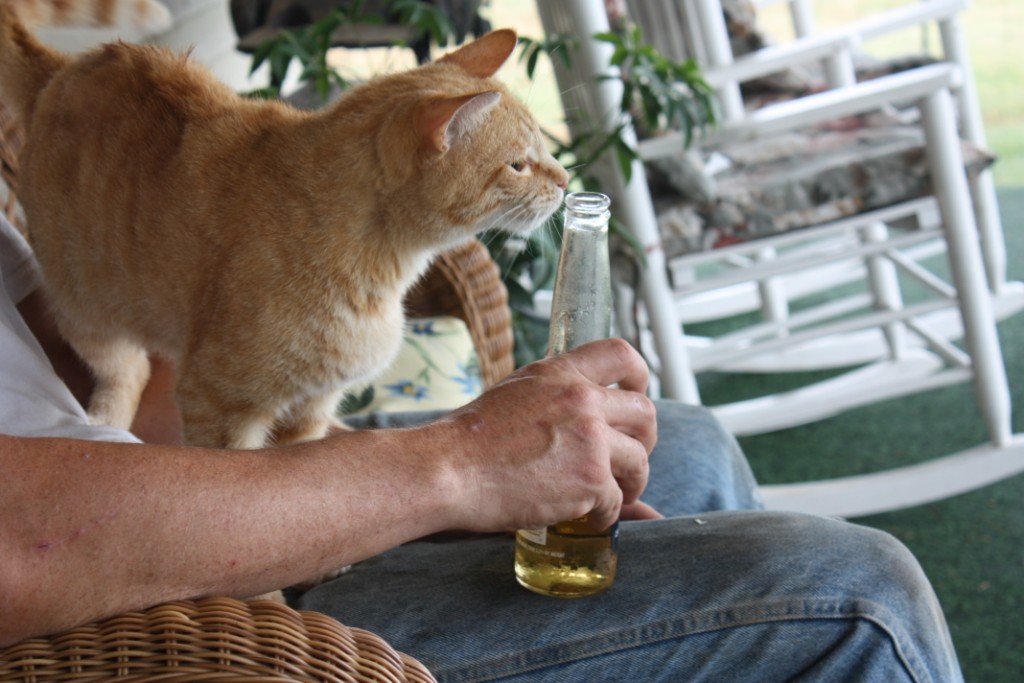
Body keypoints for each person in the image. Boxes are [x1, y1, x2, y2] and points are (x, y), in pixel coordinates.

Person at [0, 214, 963, 682]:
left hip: (164, 522)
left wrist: (378, 478)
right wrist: (458, 462)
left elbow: (128, 398)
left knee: (686, 449)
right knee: (858, 600)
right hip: (153, 632)